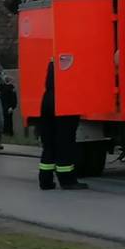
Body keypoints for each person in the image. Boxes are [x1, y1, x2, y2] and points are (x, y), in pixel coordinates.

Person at [38, 61, 87, 190]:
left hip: (47, 100)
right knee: (65, 143)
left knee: (49, 144)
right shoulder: (73, 61)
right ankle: (67, 180)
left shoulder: (54, 61)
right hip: (65, 102)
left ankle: (45, 181)